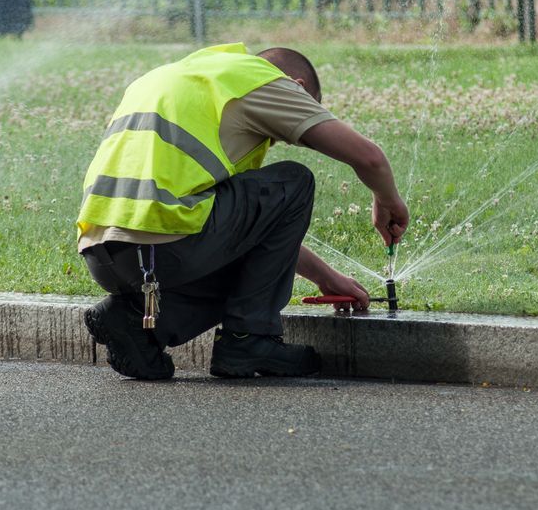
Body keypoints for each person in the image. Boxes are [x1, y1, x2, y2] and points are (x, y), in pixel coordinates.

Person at [76, 43, 409, 380]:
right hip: (166, 245)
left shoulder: (188, 77)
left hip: (104, 253)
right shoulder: (260, 80)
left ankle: (137, 324)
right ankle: (248, 338)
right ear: (298, 88)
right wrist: (388, 201)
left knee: (246, 254)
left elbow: (249, 236)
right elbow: (369, 158)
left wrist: (326, 277)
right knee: (295, 181)